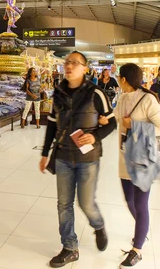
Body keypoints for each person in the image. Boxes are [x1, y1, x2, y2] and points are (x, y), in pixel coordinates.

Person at [39, 51, 116, 268]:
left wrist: (95, 135)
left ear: (85, 68)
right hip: (63, 155)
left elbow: (111, 123)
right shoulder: (59, 92)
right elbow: (53, 125)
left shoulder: (96, 93)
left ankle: (98, 225)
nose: (69, 66)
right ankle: (70, 247)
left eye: (75, 63)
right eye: (67, 62)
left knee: (86, 203)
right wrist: (45, 153)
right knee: (64, 204)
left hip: (88, 158)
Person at [114, 63, 160, 268]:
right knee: (129, 200)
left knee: (140, 204)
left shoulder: (148, 99)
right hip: (124, 155)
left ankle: (137, 250)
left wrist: (133, 125)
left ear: (124, 79)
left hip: (142, 158)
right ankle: (141, 232)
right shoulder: (122, 97)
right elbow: (116, 118)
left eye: (119, 77)